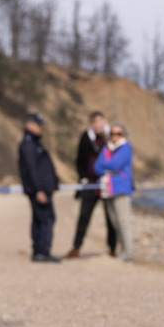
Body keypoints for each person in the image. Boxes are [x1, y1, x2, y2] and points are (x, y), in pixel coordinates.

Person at [66, 110, 117, 259]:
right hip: (90, 183)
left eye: (100, 121)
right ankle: (76, 248)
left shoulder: (111, 136)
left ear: (105, 121)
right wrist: (83, 178)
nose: (98, 125)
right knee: (84, 216)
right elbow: (80, 159)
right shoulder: (86, 137)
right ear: (91, 124)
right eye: (94, 122)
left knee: (111, 218)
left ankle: (112, 249)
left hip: (107, 182)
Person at [18, 112, 60, 262]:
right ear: (29, 124)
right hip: (38, 190)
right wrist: (39, 189)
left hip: (41, 189)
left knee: (40, 219)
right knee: (46, 219)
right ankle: (42, 252)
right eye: (38, 124)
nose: (40, 127)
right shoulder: (29, 144)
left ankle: (39, 251)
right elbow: (32, 169)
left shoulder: (34, 142)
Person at [93, 123, 134, 263]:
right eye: (112, 134)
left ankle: (128, 254)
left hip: (121, 189)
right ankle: (122, 251)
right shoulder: (106, 148)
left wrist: (104, 163)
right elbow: (96, 168)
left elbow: (115, 165)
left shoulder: (126, 147)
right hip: (107, 189)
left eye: (118, 133)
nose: (115, 136)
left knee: (123, 222)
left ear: (124, 135)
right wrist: (107, 164)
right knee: (115, 223)